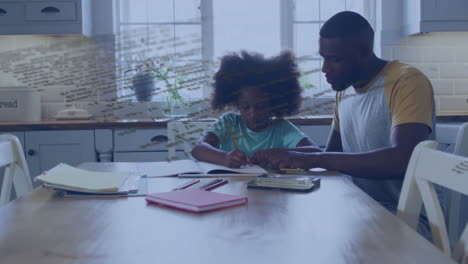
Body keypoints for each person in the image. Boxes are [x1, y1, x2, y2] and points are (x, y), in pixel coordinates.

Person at [252, 11, 436, 215]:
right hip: (359, 209)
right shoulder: (345, 91)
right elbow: (332, 154)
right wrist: (282, 155)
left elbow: (401, 160)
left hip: (408, 219)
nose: (324, 68)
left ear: (365, 53)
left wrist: (309, 159)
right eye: (323, 58)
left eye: (335, 59)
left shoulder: (407, 81)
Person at [191, 50, 319, 168]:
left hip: (272, 190)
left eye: (261, 106)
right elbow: (198, 149)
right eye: (246, 107)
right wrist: (224, 157)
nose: (253, 114)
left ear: (273, 104)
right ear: (236, 104)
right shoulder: (228, 123)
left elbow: (315, 152)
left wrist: (282, 153)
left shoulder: (282, 129)